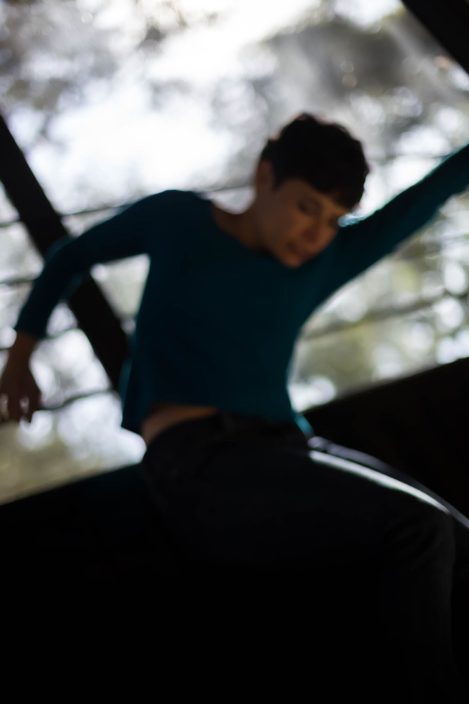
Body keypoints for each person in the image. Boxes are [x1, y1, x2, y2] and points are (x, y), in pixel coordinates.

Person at [0, 112, 468, 700]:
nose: (316, 234)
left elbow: (429, 194)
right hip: (202, 461)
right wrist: (20, 355)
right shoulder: (179, 220)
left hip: (293, 449)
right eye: (306, 207)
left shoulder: (323, 261)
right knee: (419, 529)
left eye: (333, 220)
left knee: (457, 538)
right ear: (264, 176)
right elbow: (70, 257)